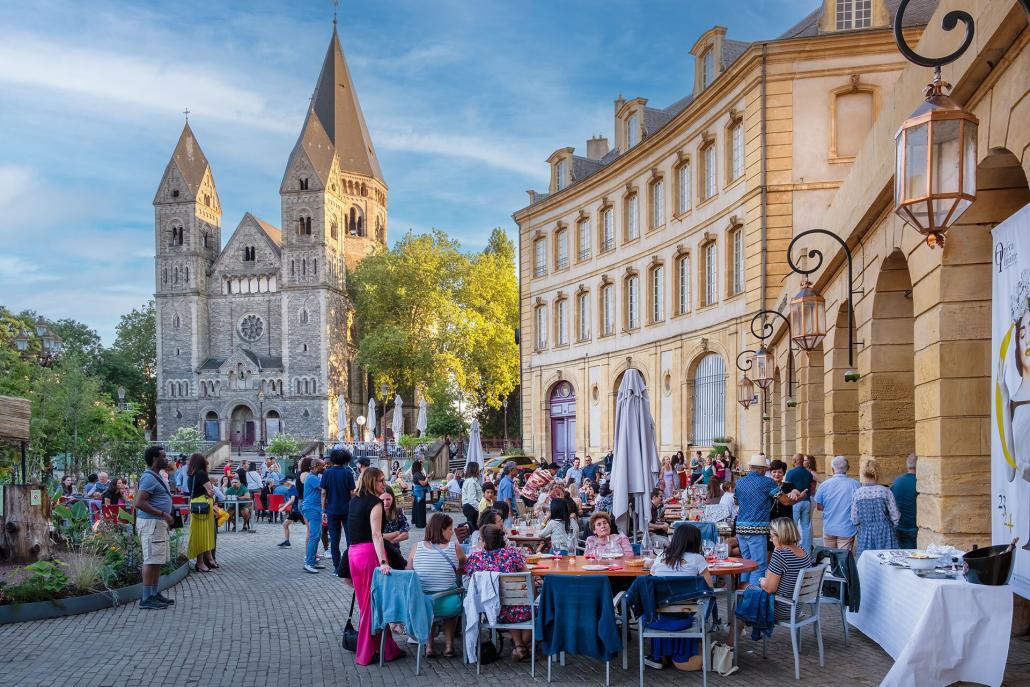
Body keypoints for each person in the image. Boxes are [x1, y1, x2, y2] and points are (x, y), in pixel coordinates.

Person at [346, 467, 401, 666]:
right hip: (369, 554)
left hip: (354, 553)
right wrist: (384, 562)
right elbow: (376, 535)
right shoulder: (375, 503)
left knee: (367, 603)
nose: (384, 484)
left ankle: (387, 649)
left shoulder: (354, 501)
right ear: (371, 482)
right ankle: (365, 652)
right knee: (373, 604)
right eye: (380, 481)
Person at [463, 523, 533, 661]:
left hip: (491, 612)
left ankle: (519, 645)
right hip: (519, 611)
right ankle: (522, 646)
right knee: (538, 608)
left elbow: (469, 576)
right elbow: (528, 577)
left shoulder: (476, 559)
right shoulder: (512, 554)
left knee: (509, 604)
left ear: (483, 541)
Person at [407, 513, 466, 657]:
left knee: (429, 605)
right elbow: (464, 567)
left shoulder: (416, 547)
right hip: (449, 604)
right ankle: (449, 645)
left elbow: (408, 572)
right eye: (450, 529)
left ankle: (429, 646)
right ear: (441, 530)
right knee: (452, 597)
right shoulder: (454, 547)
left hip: (423, 603)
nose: (452, 532)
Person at [734, 455, 799, 582]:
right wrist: (799, 497)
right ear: (763, 469)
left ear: (750, 467)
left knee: (746, 563)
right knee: (758, 566)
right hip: (756, 529)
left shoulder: (740, 482)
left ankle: (743, 595)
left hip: (740, 527)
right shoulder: (767, 482)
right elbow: (785, 501)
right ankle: (753, 597)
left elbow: (736, 501)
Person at [134, 446, 176, 609]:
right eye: (163, 456)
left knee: (157, 560)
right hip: (151, 523)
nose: (166, 459)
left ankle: (153, 593)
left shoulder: (156, 476)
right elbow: (139, 502)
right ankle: (146, 598)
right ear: (154, 458)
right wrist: (162, 513)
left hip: (158, 524)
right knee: (150, 559)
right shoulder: (149, 478)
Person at [760, 518, 813, 621]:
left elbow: (770, 589)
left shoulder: (781, 555)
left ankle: (735, 633)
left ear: (781, 535)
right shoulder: (803, 552)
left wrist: (761, 581)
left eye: (771, 537)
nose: (770, 540)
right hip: (797, 607)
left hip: (780, 609)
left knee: (743, 589)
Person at [852, 459, 900, 558]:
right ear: (877, 473)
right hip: (885, 531)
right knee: (887, 560)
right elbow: (895, 515)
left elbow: (854, 518)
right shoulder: (885, 491)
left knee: (867, 563)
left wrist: (862, 527)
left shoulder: (858, 493)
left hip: (866, 531)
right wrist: (891, 526)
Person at [813, 455, 861, 552]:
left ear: (832, 469)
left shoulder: (824, 485)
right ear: (848, 468)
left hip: (829, 527)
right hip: (847, 528)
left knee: (830, 558)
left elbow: (819, 506)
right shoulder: (855, 484)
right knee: (843, 560)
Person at [322, 448, 356, 574]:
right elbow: (352, 493)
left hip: (331, 509)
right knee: (350, 539)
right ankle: (349, 566)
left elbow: (323, 492)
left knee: (334, 540)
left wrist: (323, 509)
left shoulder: (327, 473)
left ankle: (337, 568)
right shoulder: (348, 473)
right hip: (347, 510)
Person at [186, 453, 217, 573]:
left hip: (194, 504)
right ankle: (200, 562)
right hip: (203, 506)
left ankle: (208, 558)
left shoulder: (191, 475)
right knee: (203, 534)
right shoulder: (202, 474)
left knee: (200, 533)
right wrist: (211, 489)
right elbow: (210, 492)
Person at [785, 453, 816, 554]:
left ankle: (792, 550)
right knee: (806, 527)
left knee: (792, 526)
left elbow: (787, 487)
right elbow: (811, 488)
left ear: (794, 461)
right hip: (806, 500)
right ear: (802, 461)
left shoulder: (791, 473)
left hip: (795, 501)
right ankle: (806, 551)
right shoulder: (808, 473)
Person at [301, 458, 326, 574]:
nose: (324, 468)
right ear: (316, 466)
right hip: (312, 508)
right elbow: (324, 488)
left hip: (313, 508)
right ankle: (309, 562)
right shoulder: (312, 478)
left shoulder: (313, 477)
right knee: (314, 536)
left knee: (316, 535)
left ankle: (313, 560)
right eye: (322, 466)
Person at [891, 454, 918, 549]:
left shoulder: (897, 481)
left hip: (900, 526)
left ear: (907, 465)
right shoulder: (920, 482)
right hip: (916, 527)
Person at [277, 479, 303, 547]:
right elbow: (292, 501)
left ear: (288, 482)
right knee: (285, 524)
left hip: (298, 511)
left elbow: (292, 500)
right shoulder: (291, 488)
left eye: (284, 482)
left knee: (309, 526)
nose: (283, 484)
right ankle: (287, 541)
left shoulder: (293, 488)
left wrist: (283, 507)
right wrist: (283, 505)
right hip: (297, 511)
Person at [461, 462, 483, 528]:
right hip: (471, 508)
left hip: (471, 508)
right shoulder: (471, 482)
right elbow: (472, 500)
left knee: (474, 528)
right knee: (474, 529)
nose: (479, 470)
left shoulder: (472, 480)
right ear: (475, 469)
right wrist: (481, 507)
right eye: (478, 469)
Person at [410, 459, 429, 528]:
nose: (422, 466)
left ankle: (418, 522)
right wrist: (427, 477)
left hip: (418, 493)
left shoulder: (415, 474)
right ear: (418, 466)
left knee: (417, 508)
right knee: (420, 509)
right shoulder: (418, 474)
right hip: (420, 494)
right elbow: (423, 483)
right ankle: (421, 524)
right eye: (421, 465)